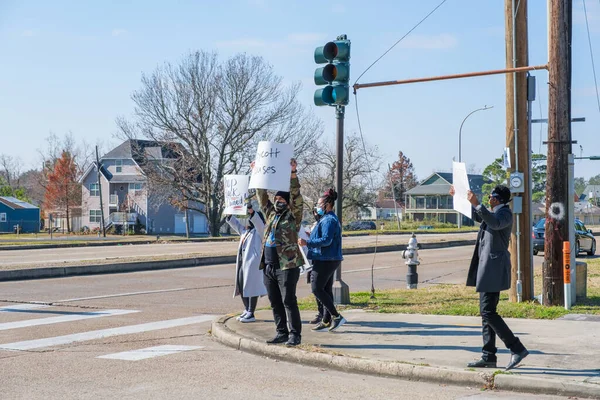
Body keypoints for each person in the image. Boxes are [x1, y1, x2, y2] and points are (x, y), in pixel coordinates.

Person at [450, 184, 529, 371]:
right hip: (487, 268)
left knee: (488, 312)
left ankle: (516, 348)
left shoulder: (504, 214)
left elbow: (493, 223)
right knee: (486, 313)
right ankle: (488, 356)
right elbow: (479, 215)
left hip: (494, 268)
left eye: (493, 196)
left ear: (500, 199)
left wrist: (478, 204)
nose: (490, 198)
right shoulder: (493, 212)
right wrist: (461, 198)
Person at [256, 159, 305, 347]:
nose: (279, 202)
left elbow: (296, 196)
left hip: (287, 265)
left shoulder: (293, 216)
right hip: (268, 265)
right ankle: (281, 332)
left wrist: (293, 173)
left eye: (282, 200)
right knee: (274, 301)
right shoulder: (270, 214)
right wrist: (258, 176)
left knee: (288, 300)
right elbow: (262, 199)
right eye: (277, 199)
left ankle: (295, 334)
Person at [299, 188, 346, 332]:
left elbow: (326, 240)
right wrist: (311, 236)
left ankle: (336, 316)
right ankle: (326, 321)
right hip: (325, 258)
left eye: (320, 205)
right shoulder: (325, 219)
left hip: (326, 259)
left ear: (328, 204)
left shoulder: (329, 220)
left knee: (316, 288)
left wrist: (307, 243)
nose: (317, 208)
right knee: (326, 289)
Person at [226, 203, 267, 323]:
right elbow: (235, 224)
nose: (247, 221)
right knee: (241, 285)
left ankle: (251, 312)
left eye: (250, 219)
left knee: (252, 287)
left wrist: (251, 211)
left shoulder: (260, 231)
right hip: (243, 263)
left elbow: (259, 223)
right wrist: (229, 214)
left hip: (253, 265)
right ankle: (246, 309)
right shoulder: (245, 231)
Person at [306, 206, 325, 325]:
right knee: (315, 287)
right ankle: (321, 312)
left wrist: (309, 241)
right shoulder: (314, 224)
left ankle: (325, 313)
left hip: (322, 258)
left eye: (317, 211)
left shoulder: (325, 223)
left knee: (319, 287)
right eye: (314, 211)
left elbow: (324, 240)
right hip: (313, 258)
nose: (315, 213)